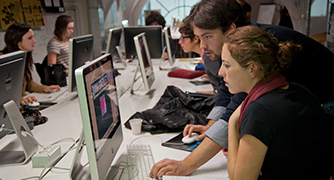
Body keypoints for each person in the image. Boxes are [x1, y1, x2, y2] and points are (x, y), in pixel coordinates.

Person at [150, 0, 334, 178]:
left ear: (230, 29)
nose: (203, 45)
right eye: (199, 38)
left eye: (207, 36)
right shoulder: (239, 45)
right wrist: (211, 126)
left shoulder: (257, 49)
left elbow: (236, 107)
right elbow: (226, 92)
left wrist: (187, 164)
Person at [223, 25, 333, 179]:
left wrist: (232, 124)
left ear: (252, 68)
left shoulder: (259, 111)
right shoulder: (300, 92)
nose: (220, 72)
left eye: (227, 65)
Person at [1, 23, 61, 106]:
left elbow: (29, 84)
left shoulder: (23, 58)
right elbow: (3, 92)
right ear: (17, 42)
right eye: (30, 38)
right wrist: (20, 99)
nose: (34, 41)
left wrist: (45, 88)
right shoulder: (3, 60)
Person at [178, 23, 221, 93]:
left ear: (195, 39)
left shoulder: (209, 56)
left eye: (183, 38)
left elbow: (224, 87)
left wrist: (208, 93)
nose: (180, 42)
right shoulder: (205, 56)